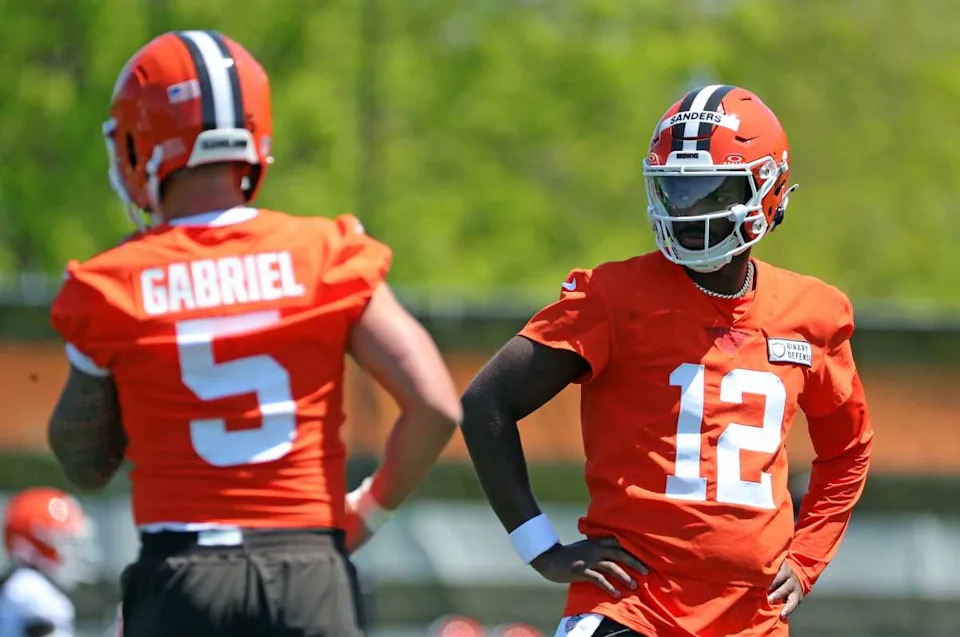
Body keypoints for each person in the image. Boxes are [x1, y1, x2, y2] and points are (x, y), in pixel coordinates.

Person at [45, 30, 461, 637]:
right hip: (307, 570)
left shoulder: (113, 282)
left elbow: (82, 460)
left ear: (140, 144)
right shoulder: (325, 251)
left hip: (182, 575)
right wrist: (366, 514)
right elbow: (435, 403)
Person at [460, 85, 873, 636]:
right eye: (676, 191)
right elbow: (486, 401)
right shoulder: (615, 296)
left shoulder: (811, 312)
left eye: (709, 190)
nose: (689, 211)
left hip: (751, 619)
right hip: (633, 606)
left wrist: (807, 557)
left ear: (770, 189)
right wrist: (540, 548)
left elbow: (847, 449)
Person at [0, 487, 99, 637]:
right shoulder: (32, 592)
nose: (73, 553)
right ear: (30, 545)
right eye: (65, 542)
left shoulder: (24, 586)